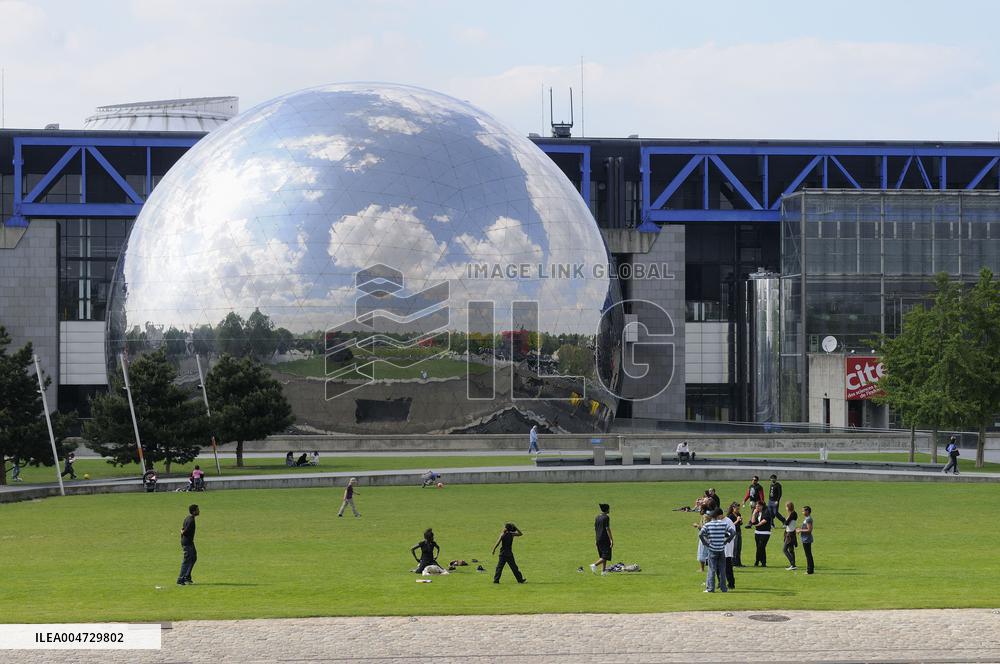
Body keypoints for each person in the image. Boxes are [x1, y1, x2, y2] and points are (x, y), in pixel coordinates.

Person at [699, 508, 735, 592]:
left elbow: (700, 534)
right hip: (721, 550)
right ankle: (724, 588)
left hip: (712, 549)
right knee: (722, 570)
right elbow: (733, 533)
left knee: (712, 569)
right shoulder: (723, 524)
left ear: (711, 516)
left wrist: (705, 543)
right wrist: (727, 541)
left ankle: (711, 588)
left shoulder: (708, 525)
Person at [177, 504, 200, 585]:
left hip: (189, 542)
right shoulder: (191, 520)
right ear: (194, 512)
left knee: (193, 558)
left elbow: (182, 529)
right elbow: (184, 531)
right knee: (187, 560)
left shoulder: (188, 518)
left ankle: (187, 577)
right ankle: (180, 579)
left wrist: (182, 532)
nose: (199, 511)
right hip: (187, 543)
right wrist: (182, 532)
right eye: (197, 510)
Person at [773, 500, 798, 570]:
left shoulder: (793, 514)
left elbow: (786, 523)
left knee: (784, 549)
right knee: (791, 550)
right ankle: (793, 565)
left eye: (786, 507)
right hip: (789, 533)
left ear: (789, 507)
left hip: (790, 534)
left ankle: (792, 564)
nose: (786, 508)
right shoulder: (792, 513)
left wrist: (780, 517)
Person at [590, 503, 613, 576]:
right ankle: (594, 565)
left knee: (603, 555)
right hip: (604, 538)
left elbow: (595, 529)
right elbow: (607, 529)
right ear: (606, 510)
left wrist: (596, 539)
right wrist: (611, 539)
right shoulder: (606, 517)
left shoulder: (597, 517)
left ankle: (603, 571)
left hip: (598, 538)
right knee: (606, 555)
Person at [747, 501, 771, 567]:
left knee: (761, 547)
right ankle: (762, 562)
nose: (756, 507)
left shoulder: (767, 511)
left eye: (758, 506)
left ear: (762, 506)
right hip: (757, 532)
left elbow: (765, 520)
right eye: (756, 506)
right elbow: (753, 521)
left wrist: (757, 525)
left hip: (765, 532)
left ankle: (758, 561)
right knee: (759, 547)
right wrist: (754, 513)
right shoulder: (757, 512)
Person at [797, 505, 815, 574]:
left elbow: (809, 530)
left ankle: (809, 570)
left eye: (803, 511)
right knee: (808, 554)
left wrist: (800, 530)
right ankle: (811, 569)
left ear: (807, 511)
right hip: (805, 539)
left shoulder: (808, 519)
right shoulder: (807, 518)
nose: (802, 512)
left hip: (807, 539)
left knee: (808, 555)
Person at [727, 502, 744, 568]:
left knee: (739, 548)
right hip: (733, 533)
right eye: (737, 509)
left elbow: (740, 524)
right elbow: (730, 526)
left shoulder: (738, 514)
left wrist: (741, 521)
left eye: (738, 509)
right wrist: (737, 520)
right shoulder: (730, 516)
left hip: (739, 532)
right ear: (733, 508)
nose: (738, 510)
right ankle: (733, 563)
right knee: (734, 548)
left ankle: (738, 562)